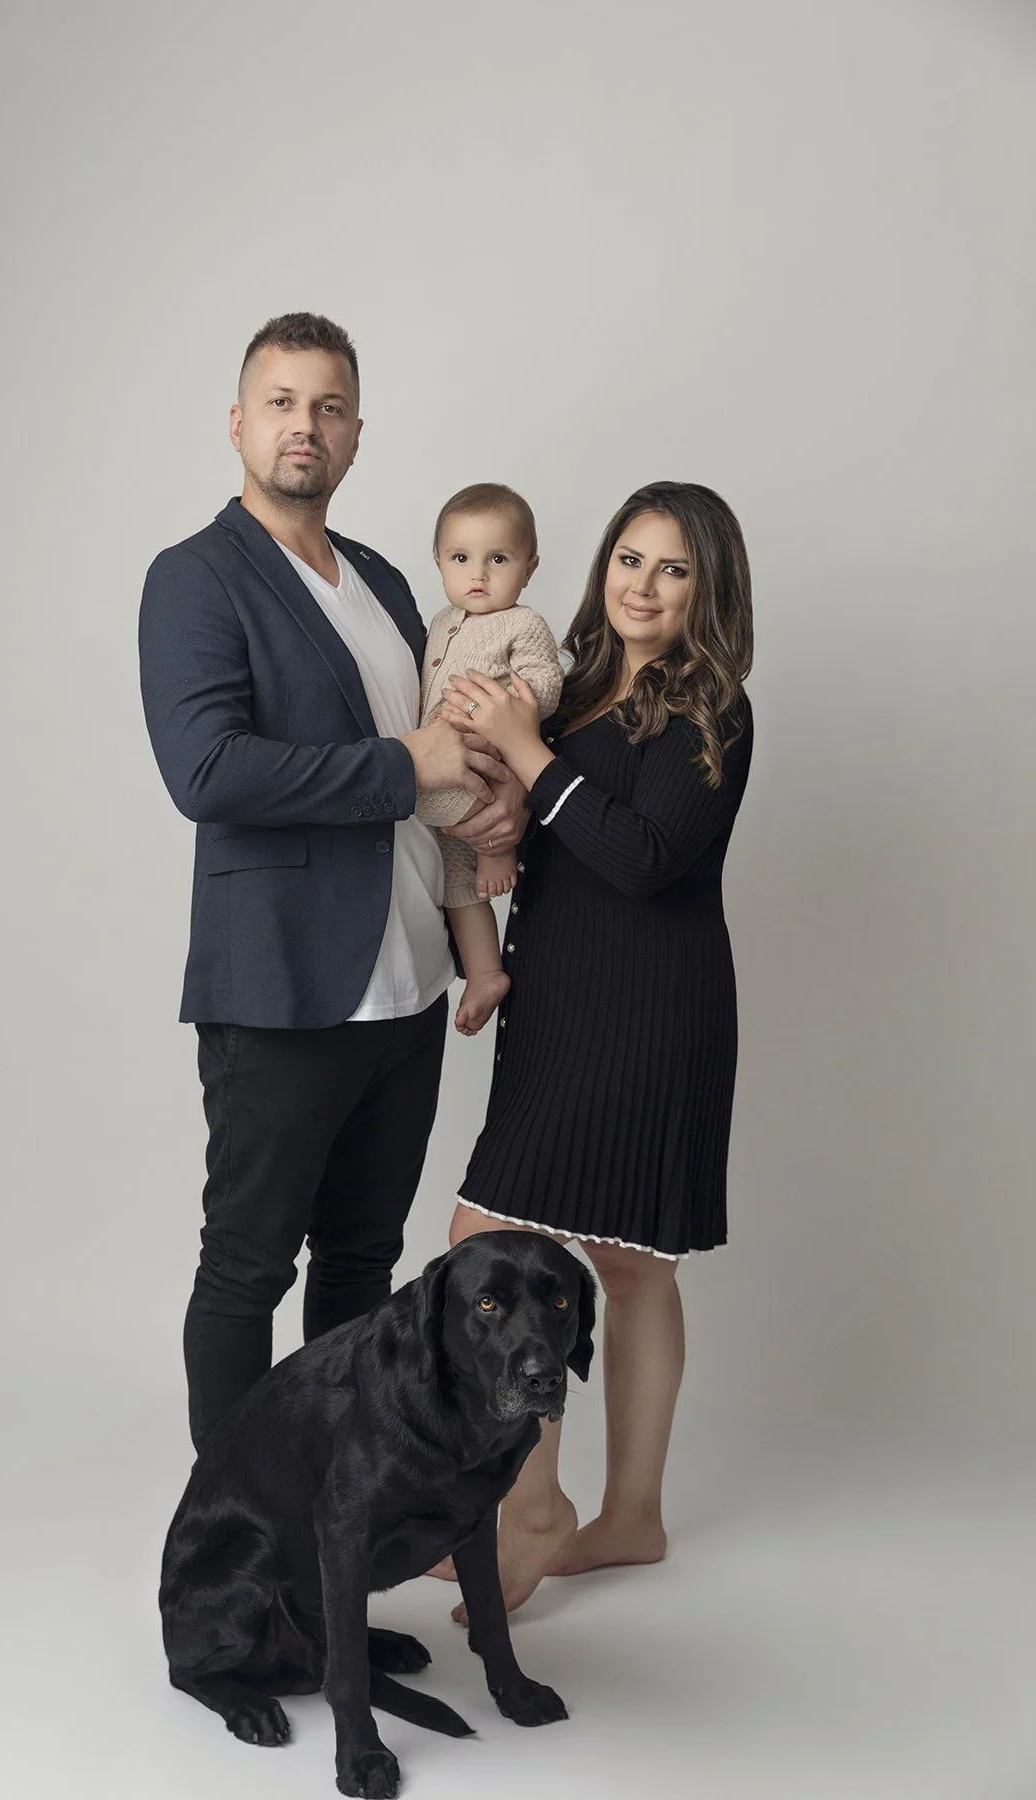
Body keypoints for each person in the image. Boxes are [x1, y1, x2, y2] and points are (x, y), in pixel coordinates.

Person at [138, 312, 526, 1452]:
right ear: (238, 423)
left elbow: (439, 753)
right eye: (281, 401)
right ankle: (239, 1565)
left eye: (328, 406)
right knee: (248, 1270)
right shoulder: (196, 578)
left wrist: (488, 800)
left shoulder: (389, 584)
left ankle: (330, 1562)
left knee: (362, 1270)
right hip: (284, 994)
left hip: (407, 989)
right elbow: (207, 770)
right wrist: (406, 766)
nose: (304, 425)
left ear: (355, 434)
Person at [432, 480, 754, 1618]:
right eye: (629, 557)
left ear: (707, 590)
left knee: (553, 1249)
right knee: (598, 1261)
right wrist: (499, 824)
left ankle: (556, 1512)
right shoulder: (568, 679)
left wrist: (525, 751)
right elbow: (540, 820)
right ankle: (613, 1516)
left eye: (672, 569)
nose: (643, 585)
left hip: (651, 1011)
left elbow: (645, 856)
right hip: (558, 1005)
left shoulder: (713, 706)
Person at [415, 484, 563, 1037]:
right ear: (439, 562)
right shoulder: (438, 622)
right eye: (460, 558)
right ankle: (484, 972)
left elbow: (548, 683)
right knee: (457, 884)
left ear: (528, 568)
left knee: (486, 831)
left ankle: (500, 852)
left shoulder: (522, 624)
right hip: (436, 771)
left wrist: (505, 704)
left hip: (487, 757)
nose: (478, 573)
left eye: (497, 559)